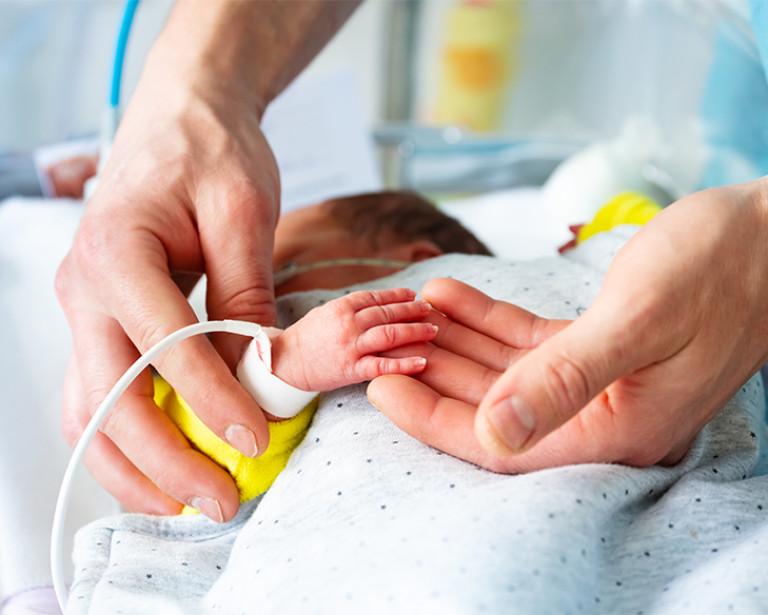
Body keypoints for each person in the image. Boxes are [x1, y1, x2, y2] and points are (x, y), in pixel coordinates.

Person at [56, 1, 768, 522]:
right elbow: (224, 447)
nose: (254, 299)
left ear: (412, 261)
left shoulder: (550, 279)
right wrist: (282, 373)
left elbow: (654, 240)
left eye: (291, 267)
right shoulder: (290, 364)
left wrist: (721, 232)